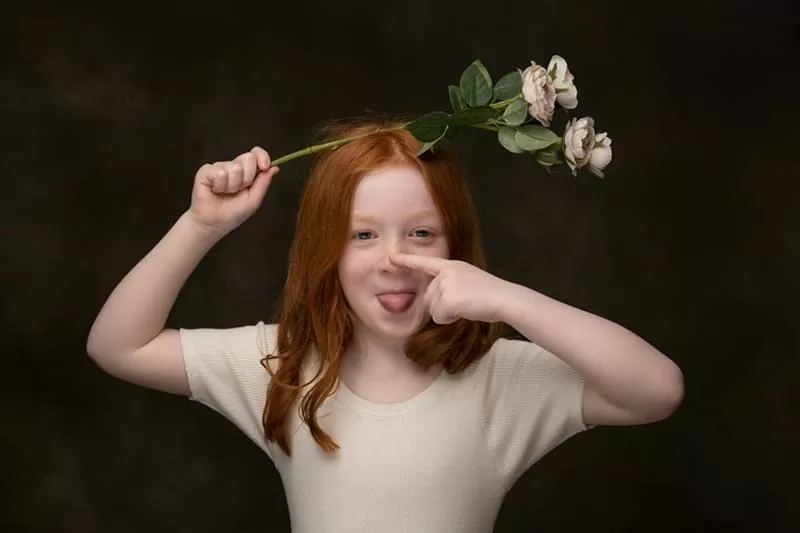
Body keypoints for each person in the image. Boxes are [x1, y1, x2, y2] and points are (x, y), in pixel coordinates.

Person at [86, 116, 684, 532]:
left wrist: (508, 300)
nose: (394, 260)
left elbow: (657, 390)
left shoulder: (500, 381)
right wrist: (201, 225)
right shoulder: (283, 368)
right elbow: (119, 346)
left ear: (455, 246)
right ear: (329, 249)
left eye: (421, 233)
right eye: (363, 235)